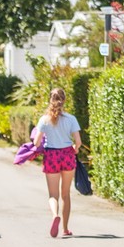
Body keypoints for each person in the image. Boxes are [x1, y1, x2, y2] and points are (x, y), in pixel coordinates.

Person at [34, 88, 82, 238]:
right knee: (66, 194)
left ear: (50, 100)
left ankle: (55, 215)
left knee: (53, 195)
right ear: (64, 100)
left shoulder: (44, 120)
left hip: (51, 155)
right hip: (67, 154)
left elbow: (36, 143)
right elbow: (78, 142)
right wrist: (75, 148)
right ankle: (66, 229)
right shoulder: (71, 119)